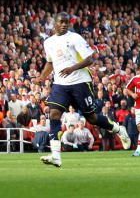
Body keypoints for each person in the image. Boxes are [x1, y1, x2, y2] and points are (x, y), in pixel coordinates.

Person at [39, 12, 130, 167]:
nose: (64, 24)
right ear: (54, 23)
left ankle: (118, 129)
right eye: (61, 22)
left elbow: (89, 59)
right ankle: (56, 156)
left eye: (66, 22)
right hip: (60, 84)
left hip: (80, 82)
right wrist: (41, 78)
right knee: (53, 114)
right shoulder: (48, 42)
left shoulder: (75, 38)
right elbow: (50, 62)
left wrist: (72, 68)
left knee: (92, 118)